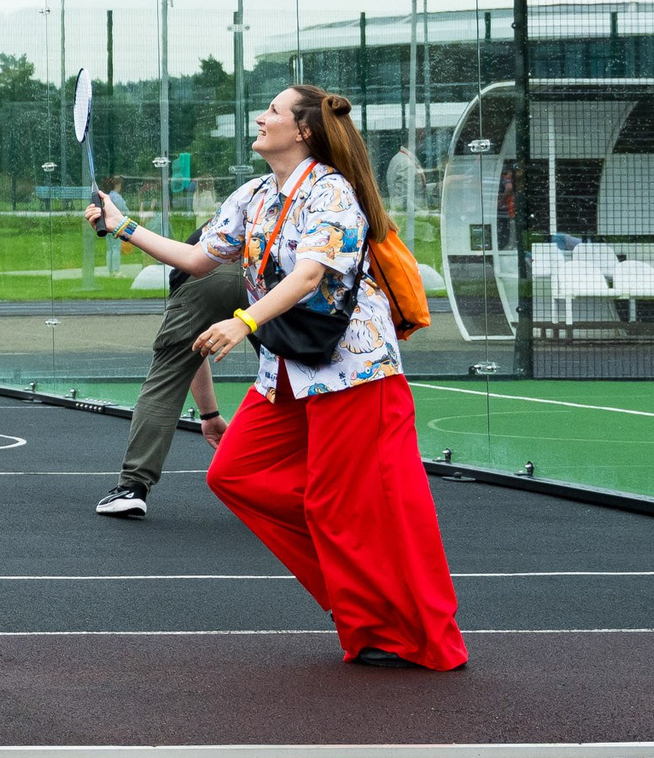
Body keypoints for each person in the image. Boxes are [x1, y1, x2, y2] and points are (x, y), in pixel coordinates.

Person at [88, 84, 466, 671]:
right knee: (237, 475)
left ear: (304, 131)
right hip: (290, 368)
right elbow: (197, 259)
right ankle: (361, 598)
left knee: (349, 508)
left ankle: (391, 627)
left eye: (273, 111)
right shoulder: (255, 194)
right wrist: (123, 226)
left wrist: (242, 321)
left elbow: (312, 273)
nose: (260, 118)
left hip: (353, 372)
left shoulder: (333, 190)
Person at [92, 262, 244, 519]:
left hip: (203, 271)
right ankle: (298, 484)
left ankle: (132, 487)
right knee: (290, 373)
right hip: (271, 273)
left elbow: (190, 351)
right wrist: (209, 415)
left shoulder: (204, 246)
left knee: (167, 373)